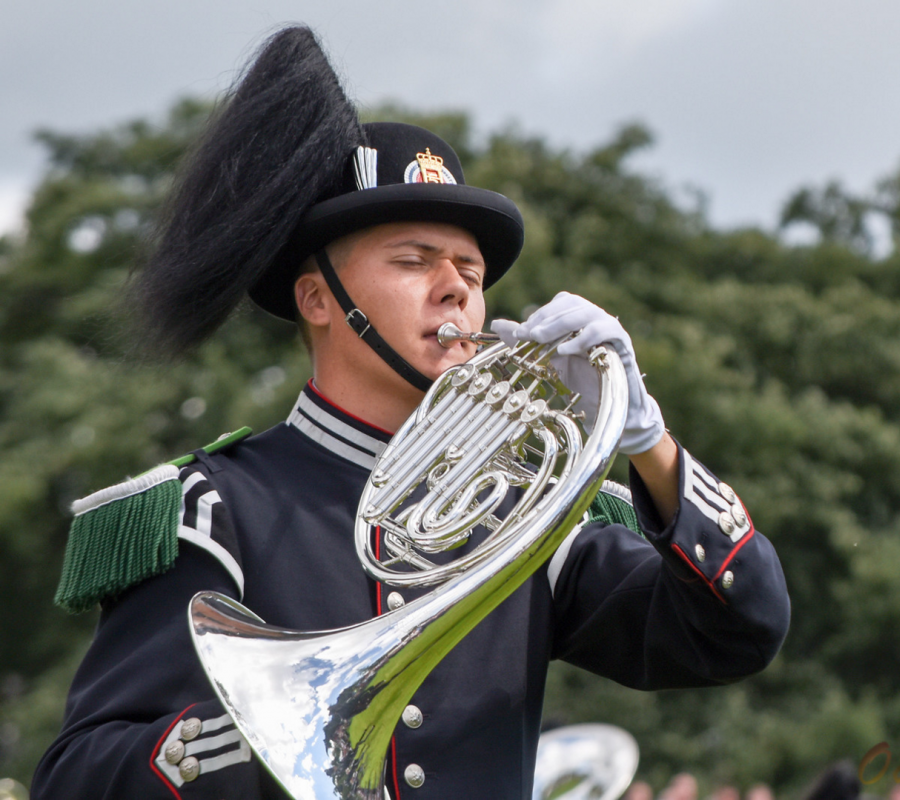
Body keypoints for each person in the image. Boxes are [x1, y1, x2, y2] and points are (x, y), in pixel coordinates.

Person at [32, 26, 790, 800]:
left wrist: (649, 440)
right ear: (318, 298)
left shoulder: (529, 513)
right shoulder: (218, 510)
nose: (456, 287)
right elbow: (79, 778)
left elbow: (736, 633)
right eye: (413, 261)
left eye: (470, 269)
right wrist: (264, 732)